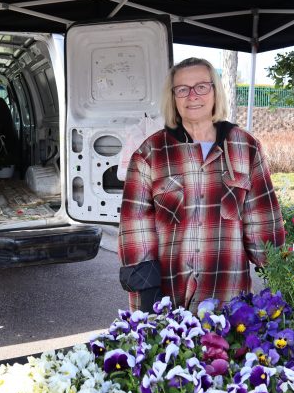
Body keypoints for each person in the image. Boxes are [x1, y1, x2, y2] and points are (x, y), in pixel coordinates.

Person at [118, 57, 285, 313]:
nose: (192, 96)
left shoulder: (245, 147)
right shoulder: (151, 152)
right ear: (173, 98)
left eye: (201, 87)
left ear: (215, 91)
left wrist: (277, 271)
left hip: (228, 292)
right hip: (167, 294)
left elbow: (263, 217)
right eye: (182, 89)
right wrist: (146, 292)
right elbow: (135, 224)